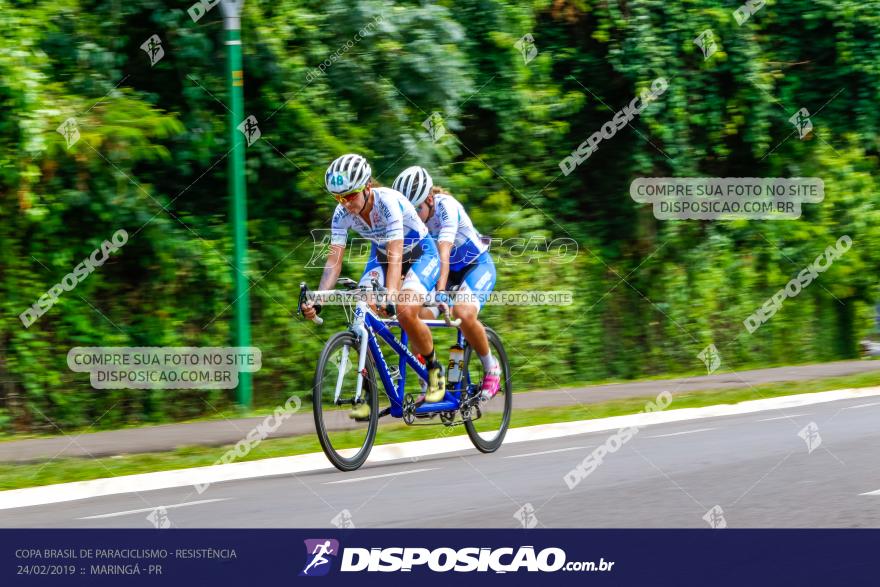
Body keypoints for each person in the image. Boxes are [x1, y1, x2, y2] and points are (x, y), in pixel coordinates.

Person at [301, 154, 447, 418]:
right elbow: (334, 261)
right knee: (363, 309)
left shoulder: (387, 202)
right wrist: (319, 298)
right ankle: (369, 392)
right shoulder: (341, 214)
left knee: (403, 308)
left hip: (419, 253)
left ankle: (435, 370)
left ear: (367, 187)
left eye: (350, 196)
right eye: (339, 198)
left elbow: (396, 253)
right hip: (380, 256)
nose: (345, 204)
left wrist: (391, 294)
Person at [392, 166, 500, 399]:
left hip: (476, 267)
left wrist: (440, 291)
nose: (413, 215)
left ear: (430, 199)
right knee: (414, 318)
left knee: (462, 312)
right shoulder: (412, 220)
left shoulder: (446, 207)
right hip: (446, 274)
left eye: (417, 208)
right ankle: (432, 380)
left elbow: (443, 252)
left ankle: (491, 367)